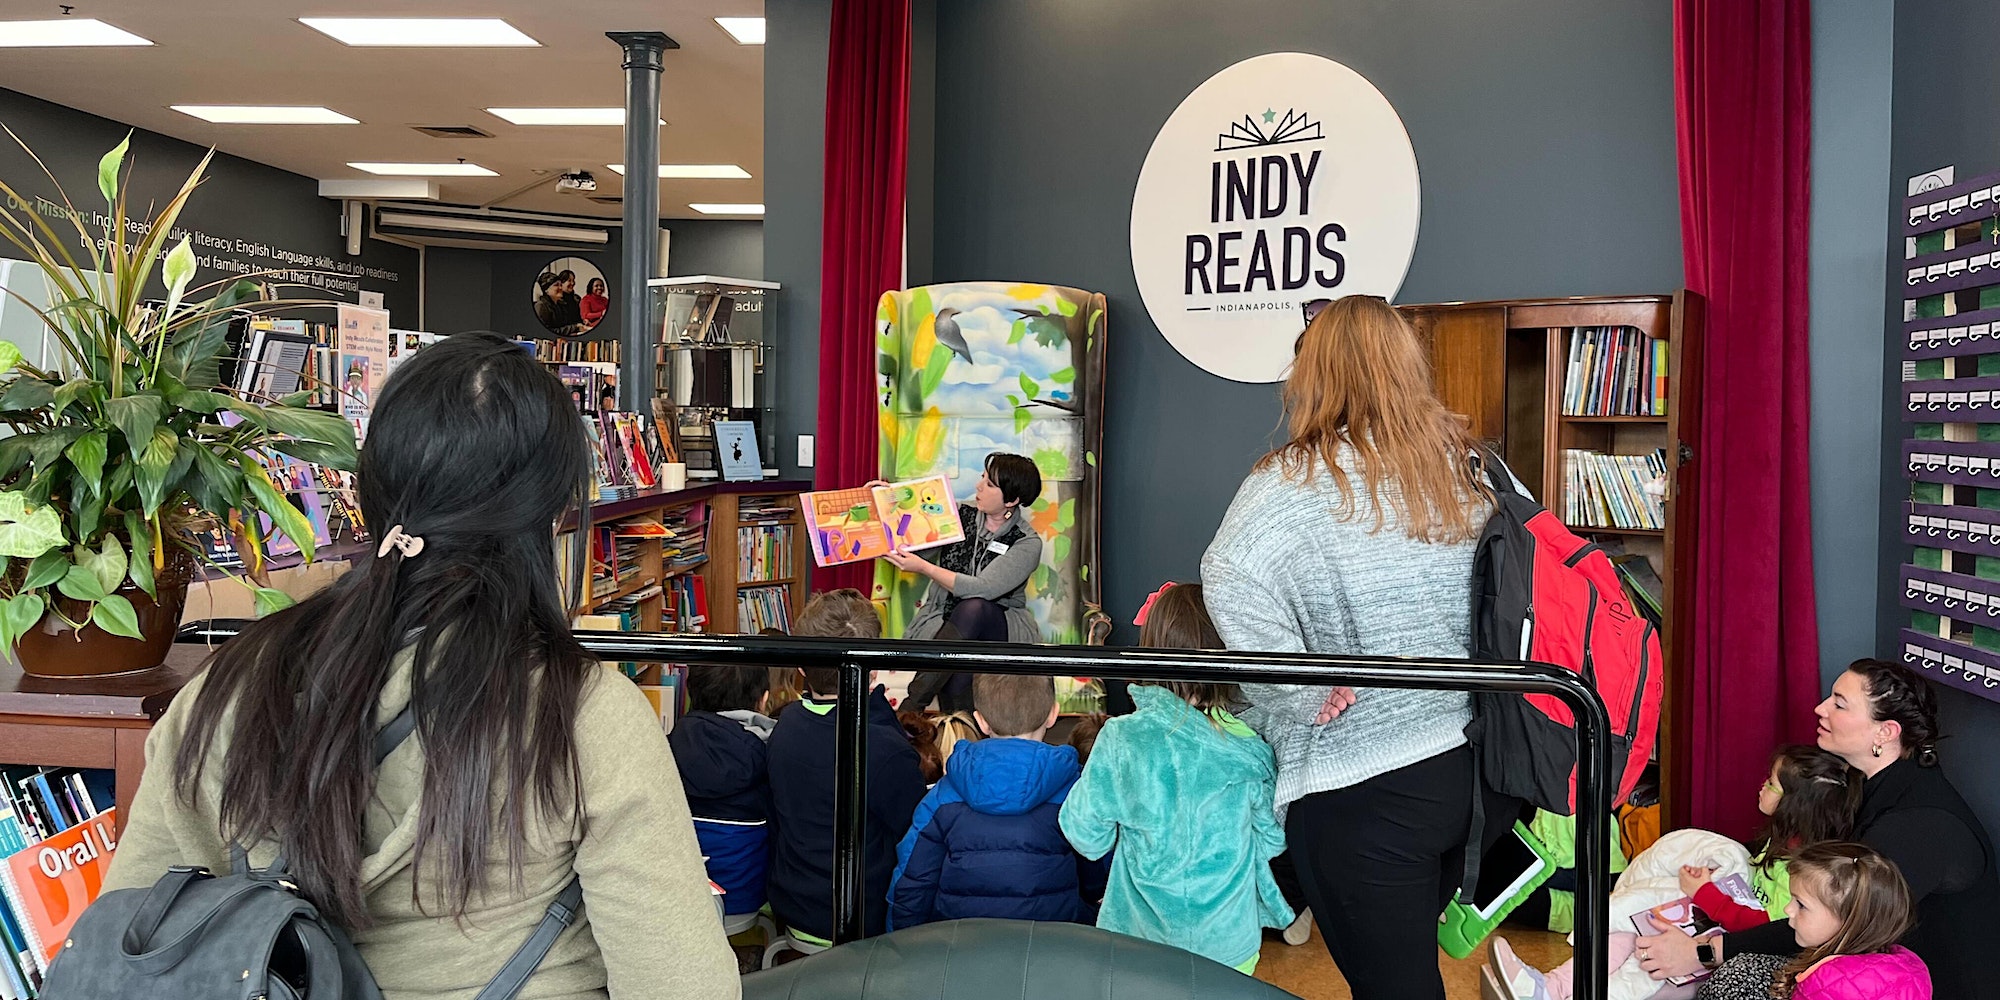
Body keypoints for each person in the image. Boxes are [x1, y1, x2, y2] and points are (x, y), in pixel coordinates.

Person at [101, 332, 737, 999]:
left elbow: (133, 937)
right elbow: (682, 981)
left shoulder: (227, 688)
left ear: (369, 489)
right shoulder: (586, 718)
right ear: (547, 517)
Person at [1200, 293, 1514, 1000]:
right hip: (1478, 773)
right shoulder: (1470, 466)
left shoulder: (1293, 479)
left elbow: (1227, 575)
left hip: (1365, 782)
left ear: (1312, 373)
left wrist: (1301, 689)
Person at [1636, 660, 1999, 999]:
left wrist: (1703, 953)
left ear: (1886, 732)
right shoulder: (1867, 785)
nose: (1821, 709)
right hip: (1859, 956)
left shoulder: (1916, 825)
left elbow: (1831, 924)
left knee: (1735, 978)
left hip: (1920, 985)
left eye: (1840, 704)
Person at [1489, 745, 1860, 1000]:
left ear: (1796, 806)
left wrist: (1703, 893)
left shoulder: (1802, 872)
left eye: (1772, 784)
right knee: (1623, 936)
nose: (1762, 785)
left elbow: (1763, 926)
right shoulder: (1775, 847)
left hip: (1722, 946)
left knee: (1641, 967)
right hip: (1708, 928)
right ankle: (1550, 987)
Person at [1058, 583, 1293, 974]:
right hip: (1229, 944)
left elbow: (1085, 835)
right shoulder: (1250, 747)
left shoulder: (1120, 739)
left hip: (1139, 941)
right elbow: (1272, 840)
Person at [765, 589, 929, 943]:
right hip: (860, 919)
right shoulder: (884, 748)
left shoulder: (785, 725)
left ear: (800, 668)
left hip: (793, 907)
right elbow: (917, 832)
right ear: (873, 673)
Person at [888, 674, 1085, 928]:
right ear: (1053, 714)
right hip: (1052, 947)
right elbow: (1096, 871)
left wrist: (903, 945)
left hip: (959, 947)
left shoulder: (943, 795)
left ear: (980, 721)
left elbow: (912, 881)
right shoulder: (1075, 791)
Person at [885, 453, 1046, 712]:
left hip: (999, 628)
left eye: (990, 484)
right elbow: (917, 547)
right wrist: (888, 501)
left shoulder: (1027, 542)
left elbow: (983, 588)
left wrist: (925, 569)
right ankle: (962, 733)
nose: (978, 486)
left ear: (1012, 500)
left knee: (975, 607)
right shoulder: (958, 514)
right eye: (983, 477)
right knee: (957, 667)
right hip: (947, 623)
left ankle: (911, 708)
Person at [1695, 842, 1930, 1000]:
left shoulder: (1830, 985)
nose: (1788, 910)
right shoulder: (1904, 962)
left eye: (1801, 904)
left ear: (1849, 921)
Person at [668, 664, 775, 923]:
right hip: (748, 896)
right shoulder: (775, 749)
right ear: (763, 700)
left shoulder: (667, 744)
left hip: (678, 895)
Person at [536, 271, 594, 337]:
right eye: (556, 285)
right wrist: (575, 327)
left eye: (560, 285)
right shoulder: (541, 306)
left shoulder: (560, 305)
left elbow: (564, 327)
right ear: (546, 290)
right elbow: (547, 332)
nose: (560, 288)